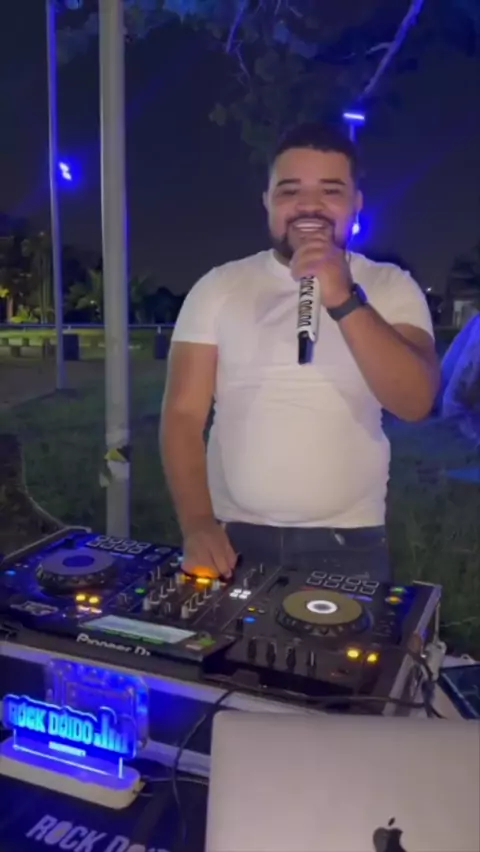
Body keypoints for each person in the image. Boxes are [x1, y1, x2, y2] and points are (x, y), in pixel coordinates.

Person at [160, 123, 439, 582]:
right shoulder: (218, 287)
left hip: (349, 542)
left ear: (356, 203)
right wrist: (197, 524)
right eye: (290, 191)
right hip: (232, 536)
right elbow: (183, 416)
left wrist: (344, 298)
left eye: (330, 190)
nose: (309, 206)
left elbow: (414, 402)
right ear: (267, 201)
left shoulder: (390, 286)